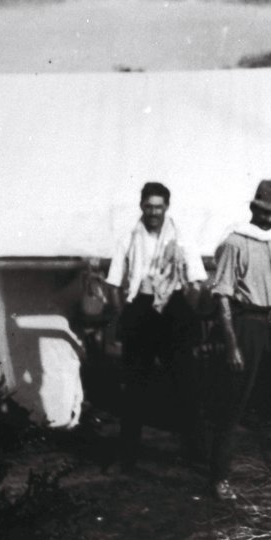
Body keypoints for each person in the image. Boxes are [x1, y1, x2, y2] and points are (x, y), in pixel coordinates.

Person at [201, 179, 271, 502]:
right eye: (264, 211)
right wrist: (232, 345)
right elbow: (223, 297)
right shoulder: (235, 243)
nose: (269, 218)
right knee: (234, 402)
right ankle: (219, 477)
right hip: (247, 326)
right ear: (254, 208)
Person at [105, 181, 208, 469]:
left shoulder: (181, 236)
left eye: (158, 207)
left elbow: (197, 279)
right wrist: (123, 318)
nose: (153, 212)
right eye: (148, 207)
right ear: (141, 207)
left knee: (186, 384)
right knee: (135, 386)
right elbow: (113, 283)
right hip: (140, 310)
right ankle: (128, 456)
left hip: (174, 310)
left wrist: (187, 312)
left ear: (166, 208)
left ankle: (195, 453)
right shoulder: (128, 237)